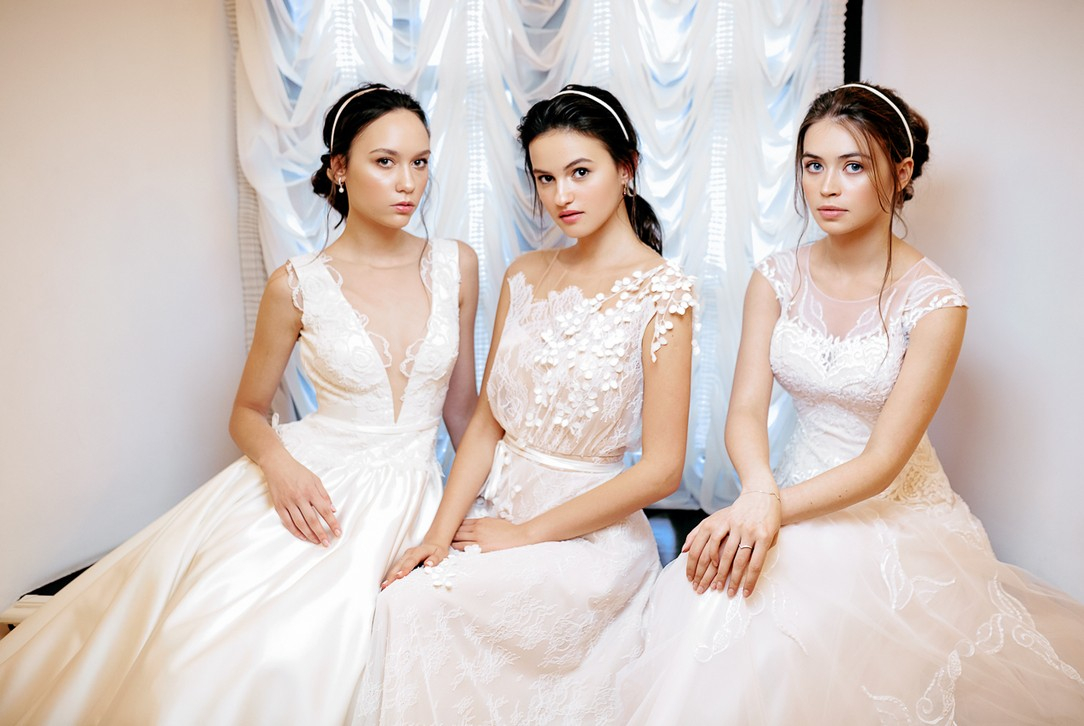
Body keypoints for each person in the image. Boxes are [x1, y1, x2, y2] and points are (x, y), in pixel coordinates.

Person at [0, 83, 479, 725]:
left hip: (413, 490)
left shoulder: (456, 265)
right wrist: (282, 470)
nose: (408, 182)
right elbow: (247, 411)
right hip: (314, 485)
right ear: (340, 168)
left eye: (419, 162)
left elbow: (463, 412)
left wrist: (483, 505)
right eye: (385, 161)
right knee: (220, 642)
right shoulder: (297, 284)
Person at [617, 82, 1084, 724]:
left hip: (888, 508)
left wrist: (767, 510)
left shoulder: (936, 302)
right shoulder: (775, 277)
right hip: (785, 487)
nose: (827, 187)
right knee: (716, 610)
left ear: (902, 172)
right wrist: (759, 492)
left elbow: (883, 462)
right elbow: (746, 409)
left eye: (853, 166)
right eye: (813, 165)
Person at [353, 84, 696, 725]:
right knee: (398, 592)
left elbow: (663, 470)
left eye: (580, 172)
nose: (561, 195)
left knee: (417, 608)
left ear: (626, 168)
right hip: (495, 509)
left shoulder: (664, 294)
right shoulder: (524, 274)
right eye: (545, 178)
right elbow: (488, 422)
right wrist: (437, 535)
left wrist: (528, 535)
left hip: (587, 538)